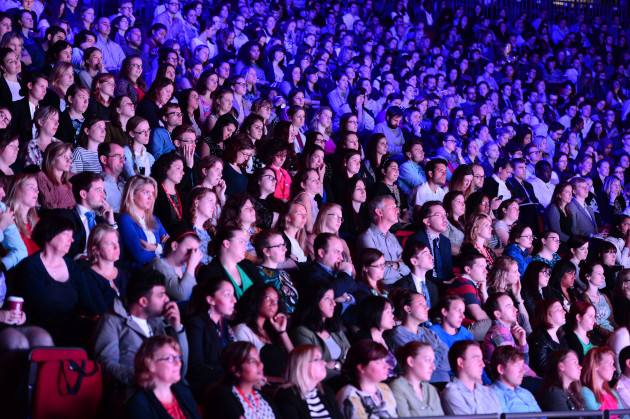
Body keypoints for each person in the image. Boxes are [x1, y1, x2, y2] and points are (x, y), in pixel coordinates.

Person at [93, 270, 188, 405]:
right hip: (134, 395)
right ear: (143, 301)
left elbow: (182, 368)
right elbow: (106, 364)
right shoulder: (111, 321)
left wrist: (177, 328)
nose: (167, 299)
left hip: (168, 391)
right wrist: (145, 377)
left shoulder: (158, 323)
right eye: (161, 295)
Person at [183, 277, 237, 399]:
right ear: (210, 300)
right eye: (227, 295)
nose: (234, 300)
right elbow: (196, 368)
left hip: (224, 382)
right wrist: (232, 376)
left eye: (233, 295)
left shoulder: (223, 325)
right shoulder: (196, 323)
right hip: (205, 387)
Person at [125, 335, 200, 419]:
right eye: (170, 358)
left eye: (179, 357)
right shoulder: (138, 404)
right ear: (149, 364)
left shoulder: (184, 393)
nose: (178, 363)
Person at [233, 283, 293, 382]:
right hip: (263, 387)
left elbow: (298, 361)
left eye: (276, 301)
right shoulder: (242, 330)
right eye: (268, 298)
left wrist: (282, 331)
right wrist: (284, 381)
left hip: (282, 384)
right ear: (255, 299)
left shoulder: (272, 331)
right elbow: (247, 373)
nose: (274, 303)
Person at [204, 341, 280, 419]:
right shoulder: (222, 396)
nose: (260, 364)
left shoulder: (265, 398)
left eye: (259, 359)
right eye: (252, 361)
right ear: (236, 370)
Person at [388, 289, 450, 383]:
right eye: (421, 304)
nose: (427, 308)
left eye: (426, 304)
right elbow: (416, 363)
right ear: (408, 308)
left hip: (444, 383)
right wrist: (436, 354)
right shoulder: (398, 334)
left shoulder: (429, 332)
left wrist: (427, 359)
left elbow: (448, 360)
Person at [274, 345, 344, 419]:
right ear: (301, 366)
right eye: (317, 359)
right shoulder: (286, 396)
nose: (324, 363)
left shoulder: (326, 391)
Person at [336, 340, 398, 418]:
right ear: (361, 368)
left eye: (384, 361)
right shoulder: (349, 395)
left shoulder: (384, 388)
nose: (386, 366)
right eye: (379, 362)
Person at [355, 196, 410, 285]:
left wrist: (391, 264)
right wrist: (399, 269)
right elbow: (378, 272)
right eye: (392, 207)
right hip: (381, 289)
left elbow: (408, 265)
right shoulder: (367, 237)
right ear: (379, 212)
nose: (397, 210)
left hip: (400, 286)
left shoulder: (391, 237)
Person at [197, 226, 263, 299]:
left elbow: (263, 293)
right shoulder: (209, 272)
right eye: (241, 242)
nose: (246, 247)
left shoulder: (248, 265)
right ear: (227, 244)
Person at [118, 175, 169, 267]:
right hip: (139, 274)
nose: (151, 198)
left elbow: (172, 246)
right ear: (132, 194)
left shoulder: (154, 220)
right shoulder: (124, 219)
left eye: (152, 193)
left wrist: (153, 247)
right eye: (146, 192)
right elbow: (139, 255)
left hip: (160, 269)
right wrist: (162, 250)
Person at [441, 340, 502, 415]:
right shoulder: (452, 393)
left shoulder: (488, 392)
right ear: (460, 363)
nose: (483, 364)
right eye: (476, 358)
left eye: (482, 359)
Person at [388, 341, 444, 417]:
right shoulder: (397, 388)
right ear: (411, 361)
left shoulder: (431, 389)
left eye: (433, 361)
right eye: (427, 360)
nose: (433, 367)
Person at [147, 227, 202, 302]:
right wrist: (192, 265)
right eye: (189, 250)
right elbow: (181, 294)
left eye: (194, 252)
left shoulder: (185, 270)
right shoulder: (158, 263)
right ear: (174, 246)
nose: (192, 256)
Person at [84, 224, 129, 315]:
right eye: (110, 243)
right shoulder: (88, 278)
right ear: (95, 249)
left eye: (117, 242)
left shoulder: (125, 274)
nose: (117, 247)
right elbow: (103, 313)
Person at [252, 229, 299, 314]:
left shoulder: (284, 273)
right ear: (266, 251)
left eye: (284, 245)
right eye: (279, 246)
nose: (285, 249)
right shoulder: (257, 274)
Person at [489, 346, 542, 413]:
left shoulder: (526, 393)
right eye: (517, 365)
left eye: (522, 365)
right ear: (501, 369)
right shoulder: (492, 395)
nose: (522, 370)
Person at [528, 300, 569, 376]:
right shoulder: (538, 338)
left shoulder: (560, 337)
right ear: (545, 313)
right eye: (558, 309)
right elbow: (542, 369)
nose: (564, 312)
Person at [394, 240, 438, 309]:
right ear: (414, 261)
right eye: (426, 254)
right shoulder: (402, 286)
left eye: (430, 253)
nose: (431, 257)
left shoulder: (432, 287)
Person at [580, 260, 618, 339]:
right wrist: (613, 335)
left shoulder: (604, 296)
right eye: (599, 273)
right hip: (600, 337)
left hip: (613, 333)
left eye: (603, 274)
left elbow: (612, 320)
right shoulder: (584, 298)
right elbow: (594, 326)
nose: (603, 277)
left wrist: (620, 330)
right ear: (588, 276)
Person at [35, 142, 76, 210]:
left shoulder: (70, 185)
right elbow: (48, 205)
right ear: (52, 159)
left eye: (69, 156)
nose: (69, 160)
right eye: (63, 156)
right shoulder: (42, 177)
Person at [581, 347, 624, 412]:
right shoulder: (585, 391)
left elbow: (624, 415)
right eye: (610, 364)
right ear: (595, 366)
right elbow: (595, 416)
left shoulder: (612, 392)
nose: (614, 368)